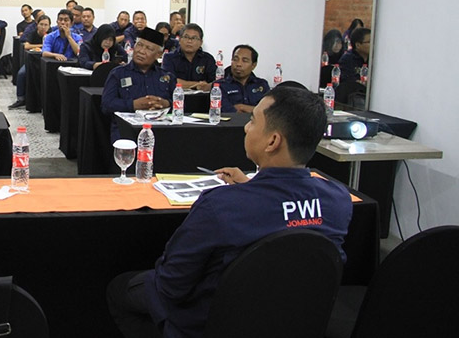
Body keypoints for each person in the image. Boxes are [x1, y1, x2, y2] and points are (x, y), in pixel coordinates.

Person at [107, 86, 353, 338]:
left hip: (211, 322)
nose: (246, 128)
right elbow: (285, 218)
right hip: (294, 318)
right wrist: (251, 188)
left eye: (252, 121)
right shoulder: (338, 200)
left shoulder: (220, 206)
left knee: (119, 289)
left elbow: (171, 286)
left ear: (272, 141)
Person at [101, 27, 176, 141]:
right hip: (126, 133)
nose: (141, 51)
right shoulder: (118, 74)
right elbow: (106, 105)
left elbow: (180, 107)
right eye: (139, 45)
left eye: (149, 48)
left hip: (161, 132)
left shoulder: (167, 77)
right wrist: (133, 105)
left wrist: (166, 104)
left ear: (158, 54)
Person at [10, 14, 51, 109]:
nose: (43, 27)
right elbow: (26, 46)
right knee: (21, 74)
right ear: (37, 25)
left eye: (46, 25)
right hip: (33, 61)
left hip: (47, 61)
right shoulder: (33, 33)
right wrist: (42, 45)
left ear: (49, 26)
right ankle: (21, 99)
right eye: (41, 24)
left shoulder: (51, 34)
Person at [215, 45, 269, 113]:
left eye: (244, 61)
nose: (238, 64)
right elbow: (227, 111)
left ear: (253, 65)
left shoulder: (262, 84)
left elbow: (269, 111)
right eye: (235, 59)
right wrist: (257, 110)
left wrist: (241, 107)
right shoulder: (219, 86)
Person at [161, 23, 216, 90]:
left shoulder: (208, 59)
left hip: (202, 96)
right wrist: (197, 84)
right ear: (180, 40)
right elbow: (169, 81)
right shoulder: (169, 58)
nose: (189, 41)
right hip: (176, 95)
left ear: (201, 42)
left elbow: (214, 83)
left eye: (194, 38)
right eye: (186, 37)